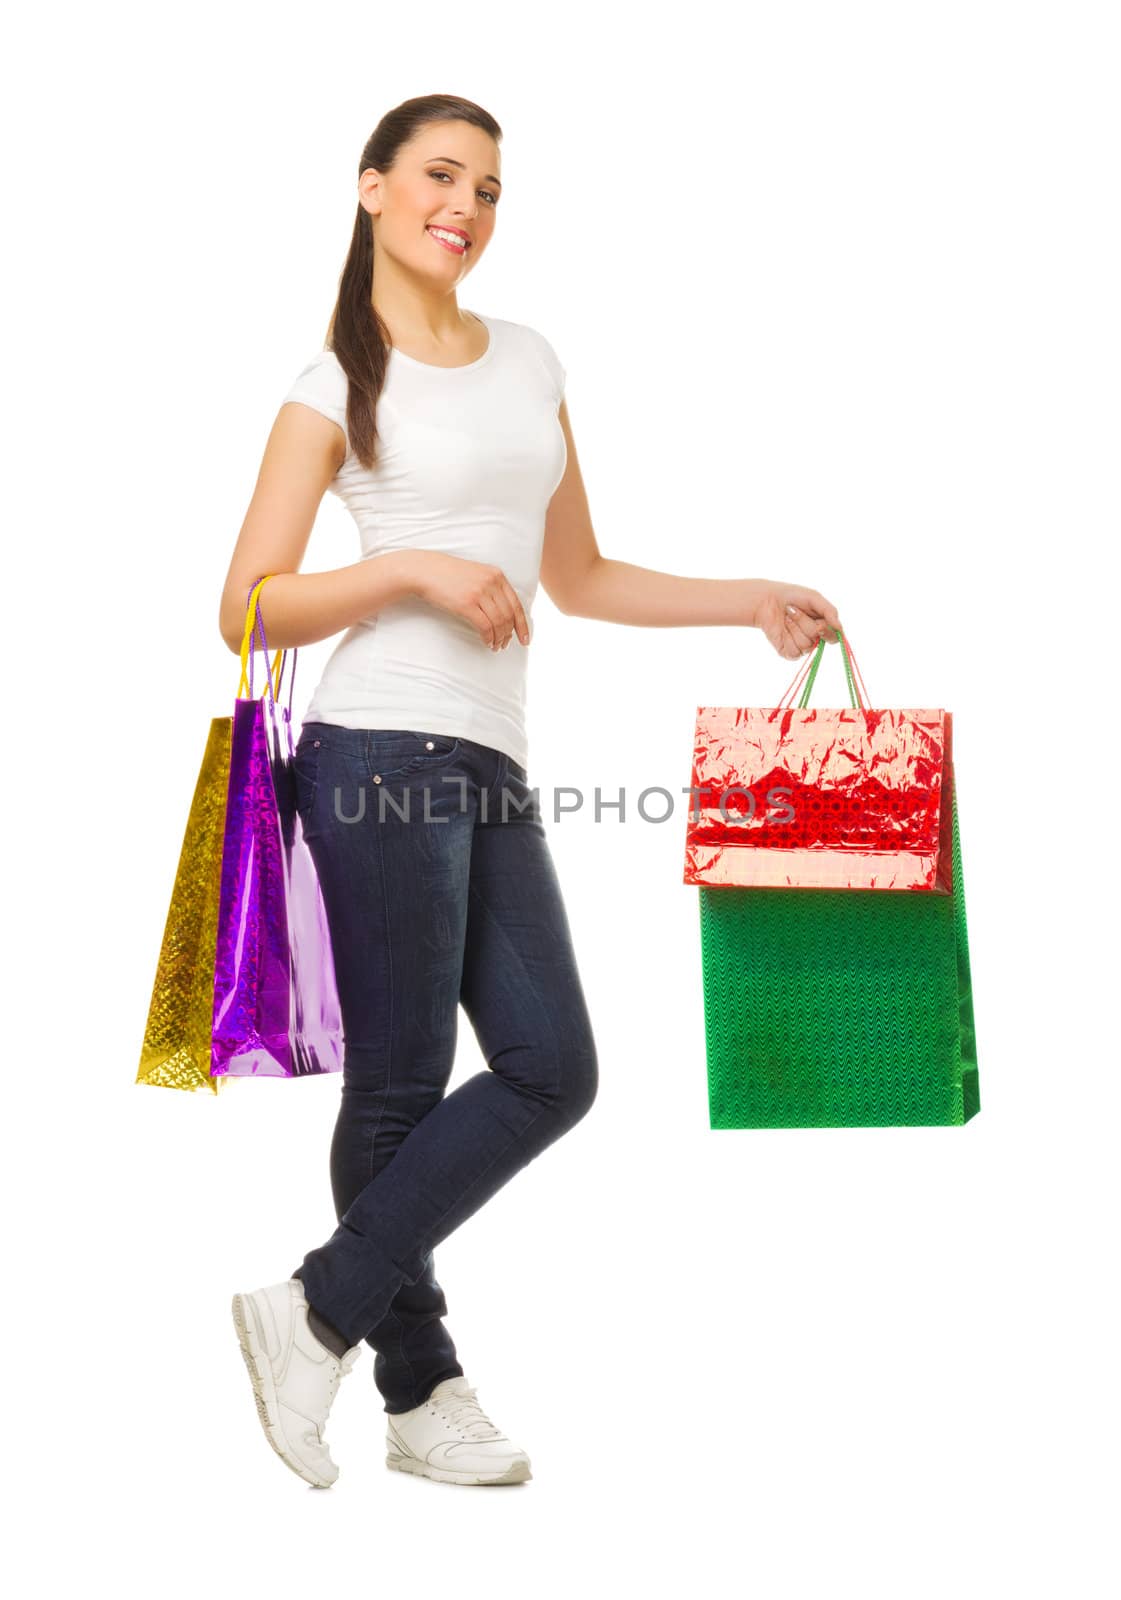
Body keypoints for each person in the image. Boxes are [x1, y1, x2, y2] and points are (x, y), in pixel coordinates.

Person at [220, 94, 843, 1493]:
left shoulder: (529, 361)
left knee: (551, 1069)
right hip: (376, 744)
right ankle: (420, 1391)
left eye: (491, 188)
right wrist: (408, 570)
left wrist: (747, 601)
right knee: (402, 1087)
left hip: (488, 757)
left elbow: (580, 578)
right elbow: (246, 607)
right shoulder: (334, 385)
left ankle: (316, 1308)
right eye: (441, 177)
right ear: (371, 188)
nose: (468, 206)